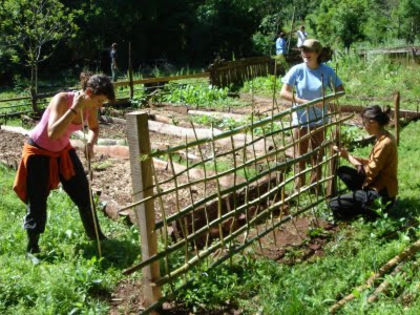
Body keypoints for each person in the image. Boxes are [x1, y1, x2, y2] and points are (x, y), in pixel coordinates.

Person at [13, 72, 115, 254]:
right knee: (37, 200)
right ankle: (32, 247)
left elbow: (94, 128)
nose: (100, 106)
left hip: (62, 152)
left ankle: (97, 236)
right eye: (99, 101)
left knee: (84, 194)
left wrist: (90, 143)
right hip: (38, 151)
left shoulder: (91, 107)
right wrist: (75, 108)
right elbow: (53, 133)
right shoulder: (62, 100)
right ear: (89, 93)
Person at [280, 39, 344, 190]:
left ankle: (315, 186)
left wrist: (325, 100)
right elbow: (283, 92)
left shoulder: (326, 71)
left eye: (309, 51)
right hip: (300, 119)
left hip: (319, 119)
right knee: (299, 154)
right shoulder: (297, 70)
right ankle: (299, 185)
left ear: (317, 53)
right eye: (303, 51)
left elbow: (340, 90)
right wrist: (301, 101)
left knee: (317, 154)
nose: (305, 54)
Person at [329, 106, 398, 220]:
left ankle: (370, 209)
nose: (363, 126)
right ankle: (361, 200)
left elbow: (368, 172)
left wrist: (349, 157)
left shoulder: (385, 143)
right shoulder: (384, 137)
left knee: (333, 204)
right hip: (376, 184)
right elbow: (374, 163)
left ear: (373, 123)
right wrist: (353, 158)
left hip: (380, 195)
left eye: (364, 123)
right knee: (343, 171)